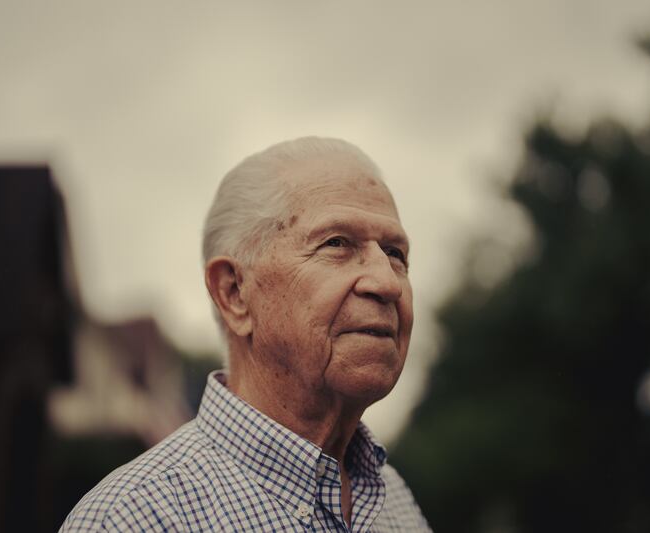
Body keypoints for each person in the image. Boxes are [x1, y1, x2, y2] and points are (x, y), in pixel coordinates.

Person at [60, 137, 430, 532]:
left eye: (395, 253)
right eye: (336, 243)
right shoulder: (133, 520)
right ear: (233, 293)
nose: (386, 282)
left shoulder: (393, 499)